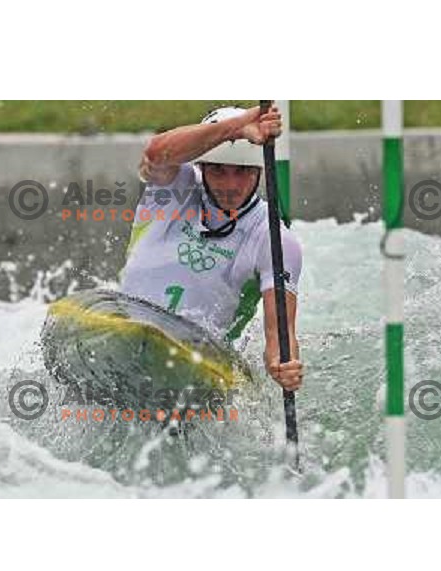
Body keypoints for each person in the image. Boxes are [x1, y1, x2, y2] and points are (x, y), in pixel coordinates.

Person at [119, 104, 303, 392]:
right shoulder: (173, 186)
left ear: (259, 171)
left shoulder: (274, 239)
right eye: (218, 170)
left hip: (198, 368)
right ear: (201, 166)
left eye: (242, 171)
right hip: (125, 331)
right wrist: (239, 127)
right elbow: (156, 152)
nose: (231, 184)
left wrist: (283, 364)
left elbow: (279, 335)